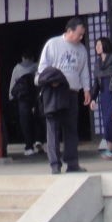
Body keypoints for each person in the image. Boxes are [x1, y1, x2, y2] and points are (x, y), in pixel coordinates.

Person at [37, 17, 90, 174]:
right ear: (69, 31)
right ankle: (55, 164)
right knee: (53, 128)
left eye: (82, 35)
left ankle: (72, 163)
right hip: (55, 90)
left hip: (72, 91)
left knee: (71, 128)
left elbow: (84, 71)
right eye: (79, 34)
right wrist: (51, 80)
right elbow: (42, 68)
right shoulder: (53, 44)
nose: (81, 37)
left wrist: (86, 89)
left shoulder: (82, 49)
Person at [9, 51, 41, 156]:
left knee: (25, 122)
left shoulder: (17, 68)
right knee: (38, 119)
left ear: (22, 58)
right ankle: (39, 140)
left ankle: (29, 147)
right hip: (36, 97)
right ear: (32, 58)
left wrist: (11, 98)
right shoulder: (37, 66)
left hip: (23, 98)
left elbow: (13, 84)